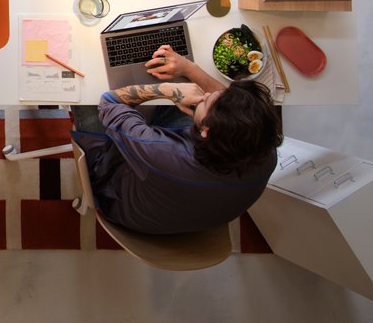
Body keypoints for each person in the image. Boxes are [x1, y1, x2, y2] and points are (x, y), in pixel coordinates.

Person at [71, 45, 281, 235]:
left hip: (124, 204)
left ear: (205, 131)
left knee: (84, 93)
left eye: (207, 100)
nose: (206, 95)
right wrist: (189, 69)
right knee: (184, 91)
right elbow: (228, 103)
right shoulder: (265, 149)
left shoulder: (161, 151)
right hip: (198, 215)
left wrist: (168, 91)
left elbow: (109, 101)